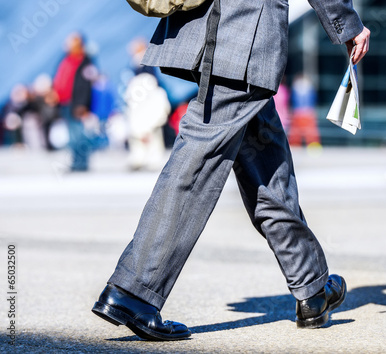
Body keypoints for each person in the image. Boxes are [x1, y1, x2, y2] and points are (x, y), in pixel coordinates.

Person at [92, 0, 370, 340]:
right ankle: (133, 291)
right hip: (245, 35)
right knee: (195, 167)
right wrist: (347, 23)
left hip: (215, 33)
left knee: (267, 163)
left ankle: (311, 287)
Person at [53, 32, 96, 171]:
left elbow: (86, 86)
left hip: (77, 104)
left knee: (79, 135)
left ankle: (81, 163)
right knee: (72, 136)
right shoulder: (66, 59)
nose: (68, 44)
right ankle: (76, 162)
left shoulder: (85, 62)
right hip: (65, 102)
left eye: (71, 41)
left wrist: (83, 105)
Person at [288, 74, 321, 147]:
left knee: (296, 133)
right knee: (310, 133)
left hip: (298, 112)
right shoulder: (310, 88)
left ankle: (294, 146)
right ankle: (313, 146)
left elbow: (293, 101)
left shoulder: (295, 87)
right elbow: (313, 100)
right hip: (308, 112)